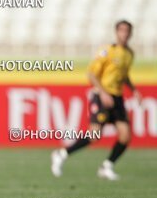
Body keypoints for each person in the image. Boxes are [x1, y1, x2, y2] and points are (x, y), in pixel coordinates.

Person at [51, 20, 142, 180]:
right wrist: (103, 93)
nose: (124, 34)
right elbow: (91, 74)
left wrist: (133, 90)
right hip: (101, 95)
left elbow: (124, 75)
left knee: (125, 135)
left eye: (127, 31)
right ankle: (61, 154)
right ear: (116, 32)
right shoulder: (107, 51)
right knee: (94, 135)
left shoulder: (129, 54)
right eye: (121, 30)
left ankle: (106, 166)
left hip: (117, 97)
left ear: (130, 33)